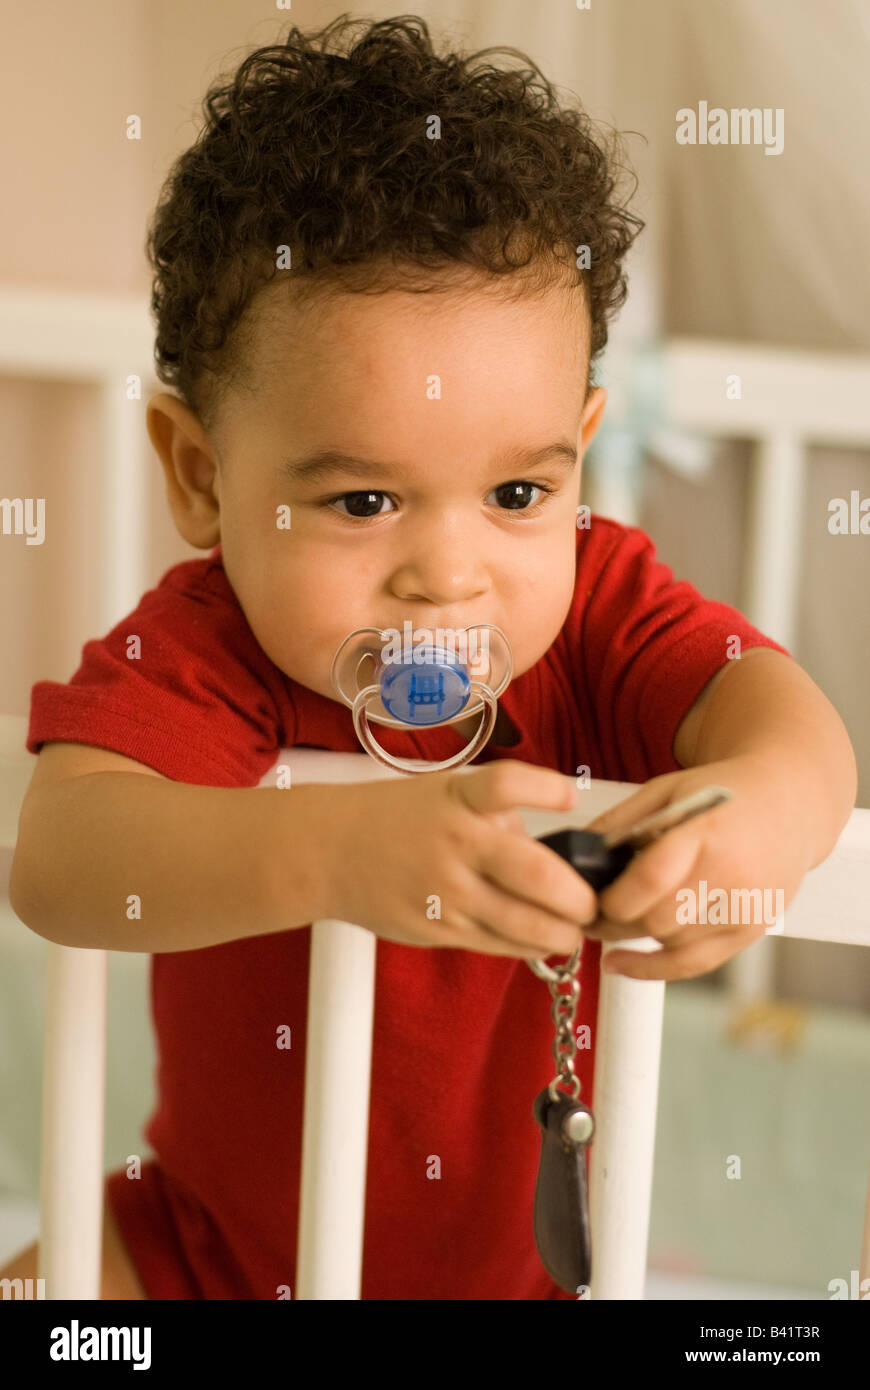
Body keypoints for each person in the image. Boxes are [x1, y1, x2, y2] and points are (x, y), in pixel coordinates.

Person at [5, 14, 857, 1301]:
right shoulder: (206, 644)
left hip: (527, 1281)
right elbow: (67, 861)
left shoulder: (603, 609)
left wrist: (761, 828)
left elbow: (791, 728)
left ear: (580, 448)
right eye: (363, 504)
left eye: (518, 492)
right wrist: (344, 851)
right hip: (203, 1254)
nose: (450, 575)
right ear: (200, 474)